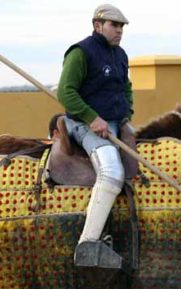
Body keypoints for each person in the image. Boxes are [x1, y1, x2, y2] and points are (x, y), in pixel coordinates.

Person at [57, 4, 133, 268]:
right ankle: (87, 244)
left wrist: (126, 114)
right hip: (83, 125)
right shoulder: (80, 52)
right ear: (98, 25)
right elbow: (66, 93)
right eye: (114, 25)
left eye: (122, 26)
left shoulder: (121, 55)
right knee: (112, 171)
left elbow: (126, 88)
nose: (119, 31)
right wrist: (92, 118)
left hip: (116, 123)